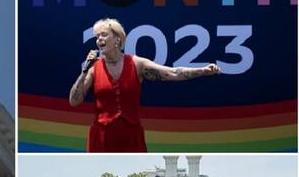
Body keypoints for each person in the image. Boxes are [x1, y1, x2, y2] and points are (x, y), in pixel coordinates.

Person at [68, 17, 220, 152]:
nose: (99, 39)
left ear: (117, 39)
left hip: (131, 137)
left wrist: (202, 71)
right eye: (97, 36)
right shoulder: (94, 68)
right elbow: (74, 101)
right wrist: (84, 71)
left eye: (104, 35)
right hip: (102, 139)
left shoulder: (137, 63)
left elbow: (172, 73)